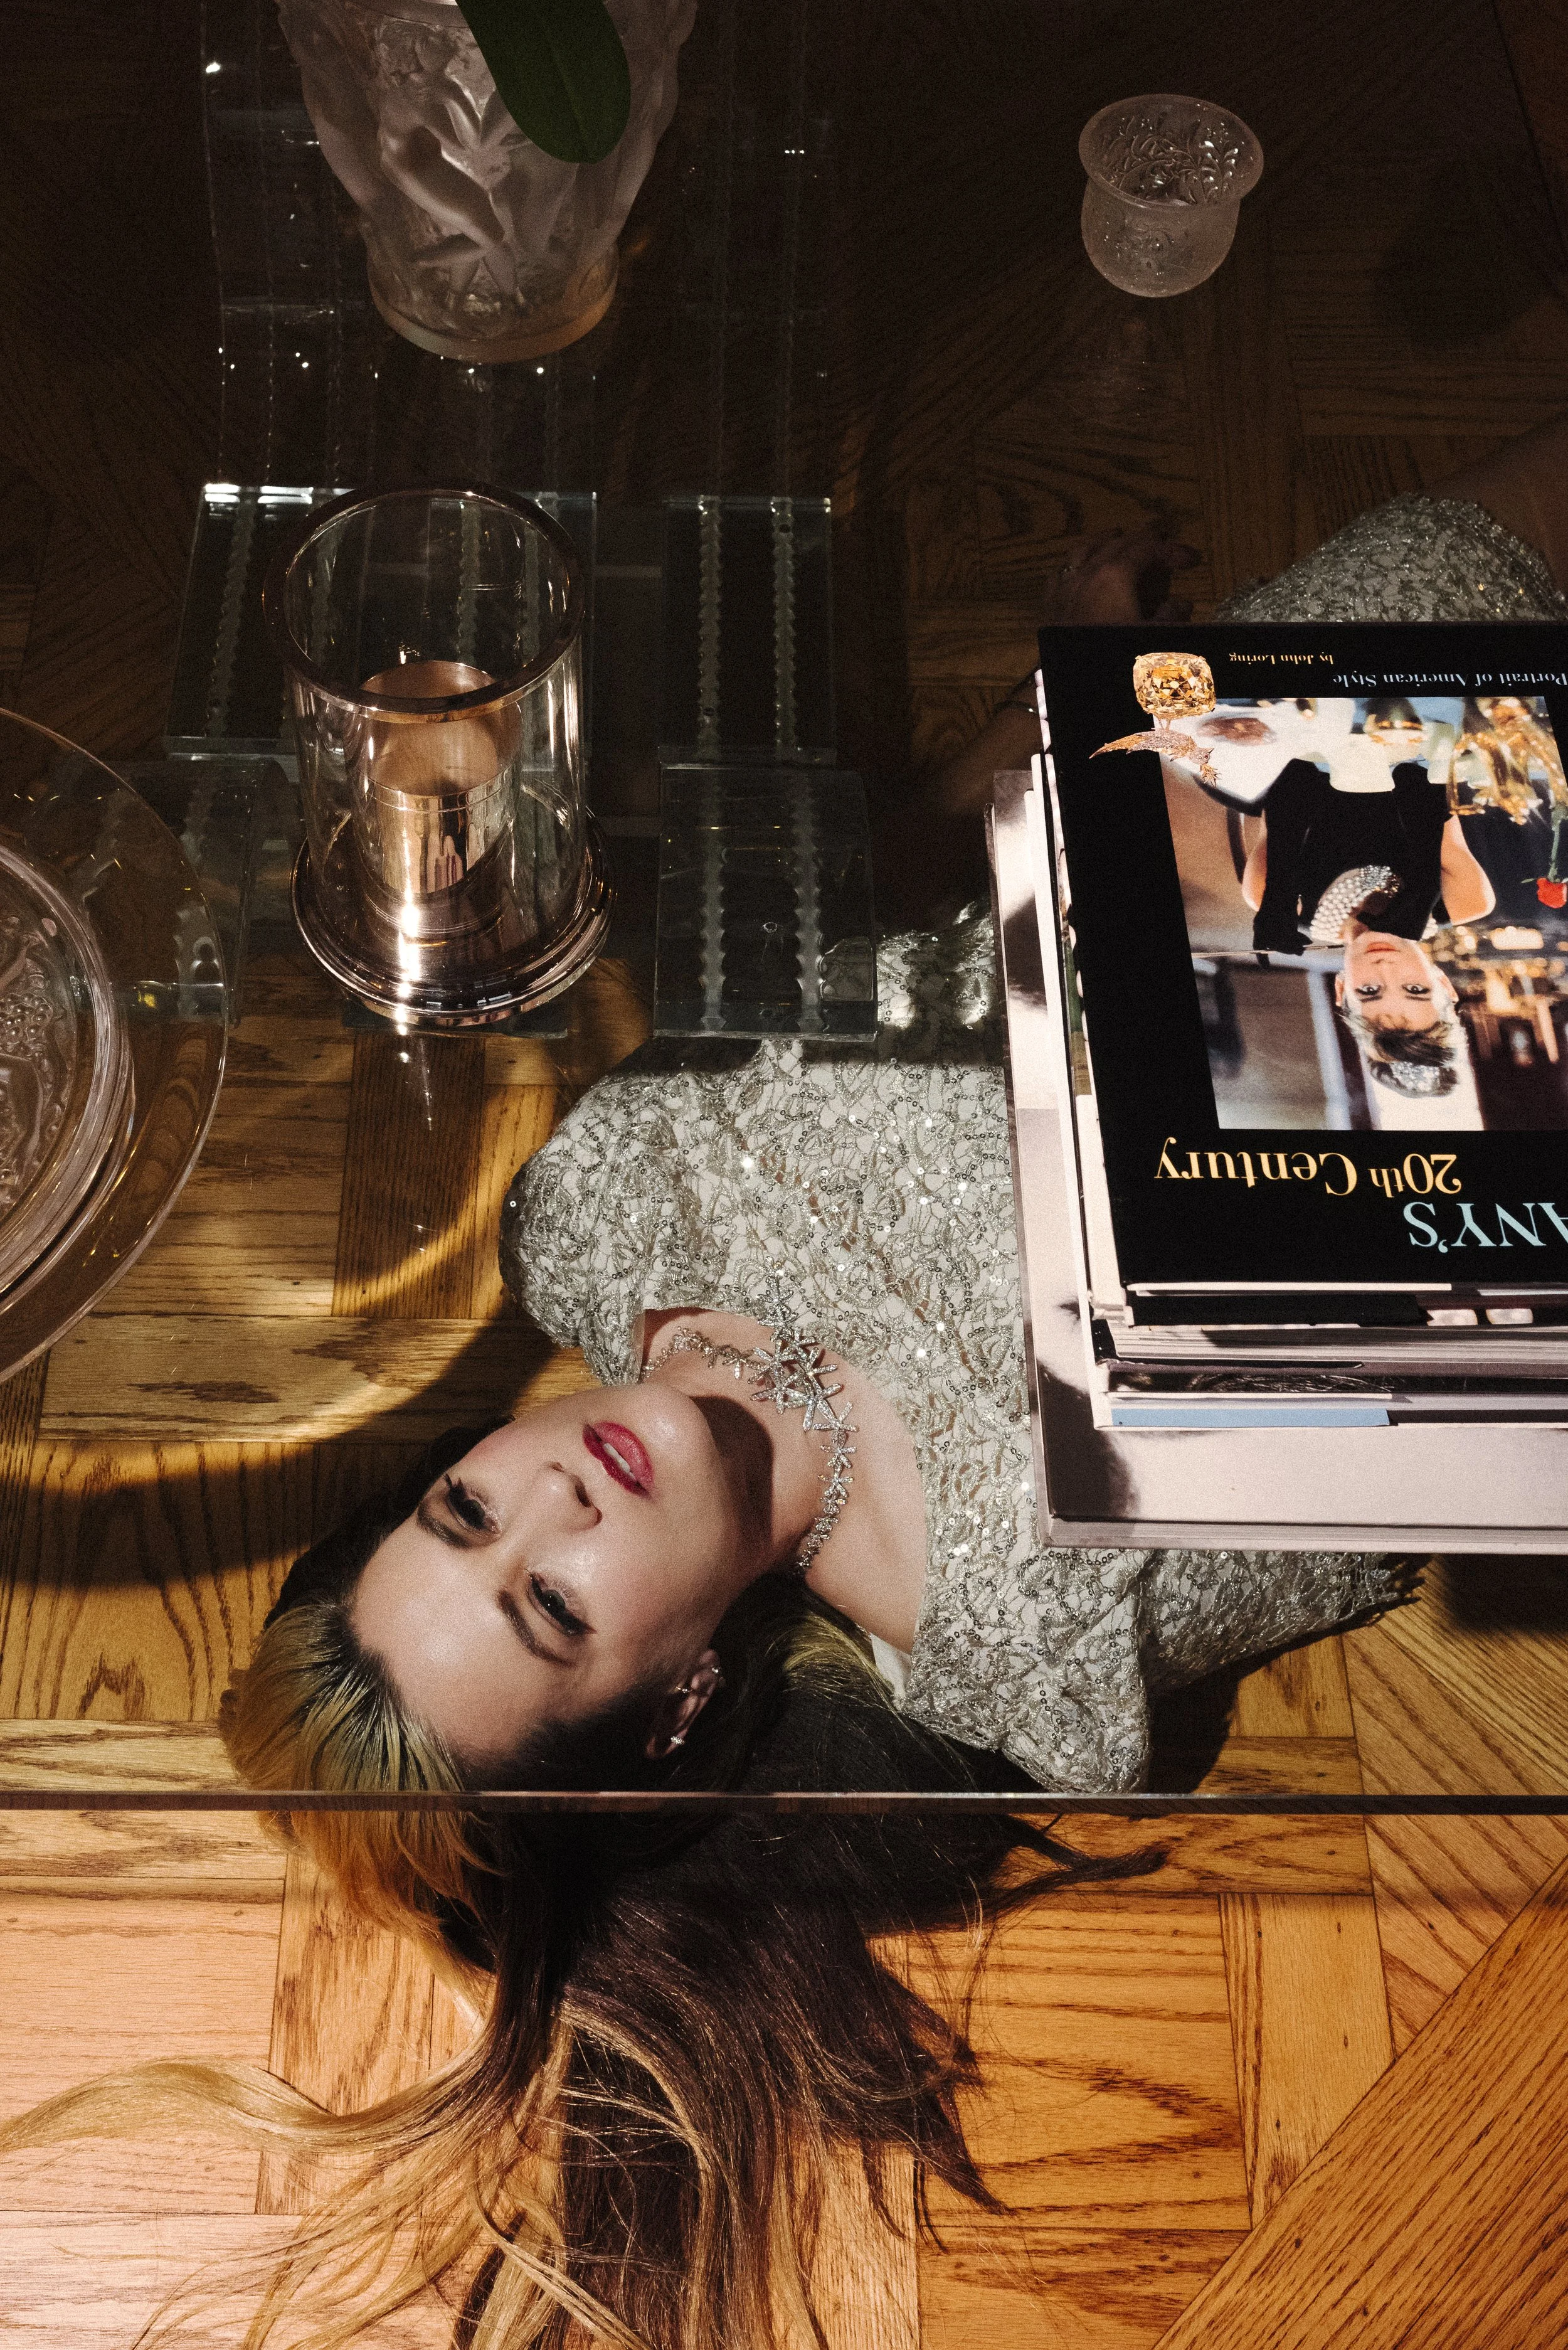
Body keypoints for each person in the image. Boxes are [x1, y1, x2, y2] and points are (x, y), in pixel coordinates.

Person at [14, 421, 1568, 2350]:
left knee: (1470, 541)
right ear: (675, 1702)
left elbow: (886, 939)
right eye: (549, 1606)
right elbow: (1459, 1355)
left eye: (463, 1510)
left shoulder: (594, 1217)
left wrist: (1058, 696)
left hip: (1233, 787)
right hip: (1478, 992)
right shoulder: (1032, 1624)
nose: (550, 1499)